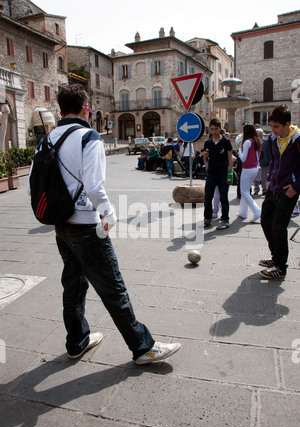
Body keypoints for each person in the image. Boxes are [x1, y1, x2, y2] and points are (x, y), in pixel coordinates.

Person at [29, 84, 181, 364]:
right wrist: (109, 215)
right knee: (113, 287)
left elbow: (32, 185)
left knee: (73, 285)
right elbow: (95, 187)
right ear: (86, 108)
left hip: (60, 225)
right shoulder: (89, 137)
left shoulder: (46, 140)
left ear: (60, 110)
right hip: (87, 227)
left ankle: (77, 341)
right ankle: (142, 347)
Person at [260, 105, 300, 280]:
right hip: (274, 187)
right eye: (271, 126)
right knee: (265, 222)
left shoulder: (298, 140)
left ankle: (281, 267)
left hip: (289, 189)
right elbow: (274, 162)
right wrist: (269, 179)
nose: (273, 130)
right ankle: (275, 258)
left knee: (278, 226)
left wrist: (297, 186)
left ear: (287, 124)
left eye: (276, 127)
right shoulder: (272, 140)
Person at [203, 119, 233, 229]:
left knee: (223, 197)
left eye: (216, 129)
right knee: (208, 196)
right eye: (212, 129)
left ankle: (225, 219)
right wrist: (205, 156)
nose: (214, 131)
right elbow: (206, 160)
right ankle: (207, 218)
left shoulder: (226, 141)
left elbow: (230, 158)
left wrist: (230, 173)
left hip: (223, 173)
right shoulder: (208, 142)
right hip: (211, 173)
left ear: (220, 128)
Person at [237, 124, 262, 223]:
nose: (242, 133)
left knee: (244, 192)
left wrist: (239, 149)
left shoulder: (247, 142)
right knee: (245, 190)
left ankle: (257, 211)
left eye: (243, 131)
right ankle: (243, 212)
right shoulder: (257, 141)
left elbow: (243, 158)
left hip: (247, 169)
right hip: (254, 168)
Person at [254, 129, 270, 196]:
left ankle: (264, 189)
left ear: (260, 134)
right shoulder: (254, 141)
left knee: (264, 177)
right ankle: (256, 190)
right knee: (255, 177)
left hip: (264, 161)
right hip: (256, 162)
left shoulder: (266, 141)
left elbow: (269, 151)